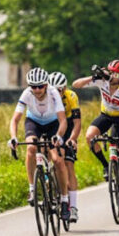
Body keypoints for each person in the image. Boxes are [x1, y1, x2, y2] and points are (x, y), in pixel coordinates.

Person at [73, 59, 119, 213]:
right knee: (90, 136)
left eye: (115, 74)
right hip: (106, 116)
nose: (111, 75)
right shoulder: (102, 82)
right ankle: (106, 165)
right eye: (110, 72)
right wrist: (93, 78)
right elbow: (76, 84)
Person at [8, 67, 70, 221]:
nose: (36, 90)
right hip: (34, 122)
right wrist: (14, 137)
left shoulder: (54, 93)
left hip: (52, 124)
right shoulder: (27, 94)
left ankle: (64, 199)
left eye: (40, 86)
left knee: (57, 159)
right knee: (31, 148)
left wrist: (58, 136)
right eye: (33, 87)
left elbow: (63, 120)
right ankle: (32, 188)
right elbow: (15, 119)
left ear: (46, 85)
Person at [48, 71, 82, 223]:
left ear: (65, 88)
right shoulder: (46, 95)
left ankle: (73, 207)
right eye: (54, 89)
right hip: (52, 126)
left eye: (60, 89)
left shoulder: (71, 97)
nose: (57, 92)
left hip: (67, 127)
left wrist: (72, 139)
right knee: (49, 156)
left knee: (68, 164)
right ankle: (47, 180)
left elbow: (77, 123)